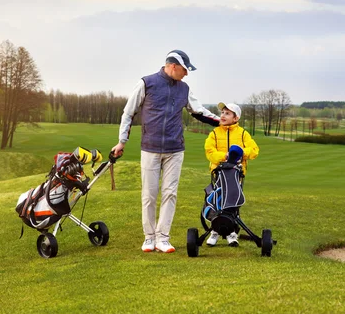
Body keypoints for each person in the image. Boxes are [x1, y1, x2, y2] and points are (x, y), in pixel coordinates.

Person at [111, 50, 219, 253]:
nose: (187, 74)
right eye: (185, 70)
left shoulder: (184, 89)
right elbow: (128, 112)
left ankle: (163, 238)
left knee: (170, 193)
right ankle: (149, 237)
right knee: (149, 195)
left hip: (175, 150)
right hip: (150, 149)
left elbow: (199, 111)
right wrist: (121, 142)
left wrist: (220, 121)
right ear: (173, 66)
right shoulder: (146, 83)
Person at [204, 102, 259, 247]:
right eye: (222, 112)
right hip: (218, 173)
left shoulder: (242, 133)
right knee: (218, 201)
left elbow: (254, 150)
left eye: (227, 113)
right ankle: (215, 232)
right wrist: (225, 156)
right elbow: (210, 152)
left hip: (236, 174)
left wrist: (241, 153)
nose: (223, 115)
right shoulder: (214, 133)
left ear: (236, 118)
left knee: (234, 203)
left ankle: (232, 233)